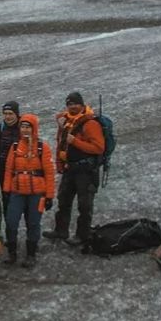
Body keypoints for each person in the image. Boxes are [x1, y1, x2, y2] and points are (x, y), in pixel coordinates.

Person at [51, 91, 108, 246]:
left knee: (84, 205)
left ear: (82, 105)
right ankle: (60, 230)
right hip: (70, 169)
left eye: (75, 104)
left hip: (86, 171)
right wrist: (60, 164)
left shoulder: (90, 123)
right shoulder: (66, 122)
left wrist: (75, 141)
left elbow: (98, 148)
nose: (72, 107)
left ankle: (82, 235)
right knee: (63, 200)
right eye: (69, 104)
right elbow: (61, 144)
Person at [0, 115, 55, 268]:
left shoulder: (42, 147)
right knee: (11, 221)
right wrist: (6, 189)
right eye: (23, 127)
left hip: (36, 193)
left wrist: (49, 196)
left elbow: (49, 173)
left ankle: (31, 254)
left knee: (33, 223)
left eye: (28, 127)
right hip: (17, 191)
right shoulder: (15, 146)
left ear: (34, 128)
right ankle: (12, 252)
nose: (25, 130)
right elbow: (9, 169)